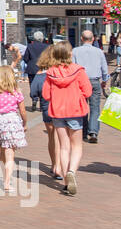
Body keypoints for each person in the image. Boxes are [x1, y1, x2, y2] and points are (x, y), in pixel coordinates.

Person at [40, 42, 93, 195]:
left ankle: (65, 180)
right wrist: (77, 96)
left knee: (64, 146)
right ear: (70, 54)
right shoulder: (78, 71)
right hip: (75, 111)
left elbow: (46, 95)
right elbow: (88, 91)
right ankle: (71, 172)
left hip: (58, 112)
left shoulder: (51, 73)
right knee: (76, 145)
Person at [0, 65, 28, 191]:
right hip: (11, 121)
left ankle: (5, 174)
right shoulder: (16, 92)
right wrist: (25, 123)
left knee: (3, 150)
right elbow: (23, 110)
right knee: (10, 153)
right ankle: (7, 182)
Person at [72, 29, 110, 143]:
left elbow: (72, 67)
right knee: (95, 107)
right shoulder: (99, 52)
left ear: (81, 39)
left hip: (80, 82)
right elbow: (104, 68)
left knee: (82, 106)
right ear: (93, 39)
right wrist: (104, 80)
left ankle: (83, 131)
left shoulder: (75, 51)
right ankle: (93, 131)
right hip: (94, 81)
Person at [22, 31, 49, 110]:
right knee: (43, 85)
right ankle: (42, 103)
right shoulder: (46, 46)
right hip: (43, 68)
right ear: (42, 38)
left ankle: (34, 99)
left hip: (32, 69)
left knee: (32, 85)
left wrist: (31, 63)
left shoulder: (30, 46)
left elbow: (26, 58)